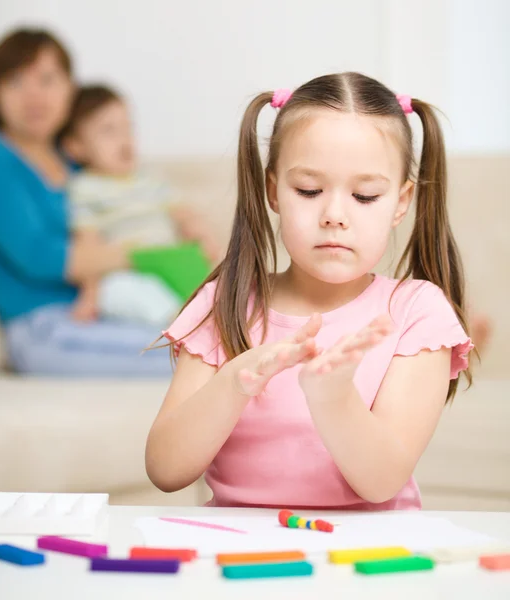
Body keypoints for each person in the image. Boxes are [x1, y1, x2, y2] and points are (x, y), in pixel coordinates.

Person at [145, 74, 474, 510]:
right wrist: (235, 381)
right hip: (237, 554)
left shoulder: (418, 312)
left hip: (368, 560)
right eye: (309, 190)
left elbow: (381, 482)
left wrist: (333, 396)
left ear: (400, 201)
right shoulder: (226, 301)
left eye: (365, 195)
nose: (334, 215)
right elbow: (165, 472)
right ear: (273, 190)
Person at [0, 29, 173, 377]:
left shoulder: (77, 163)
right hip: (43, 327)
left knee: (206, 342)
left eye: (47, 79)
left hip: (106, 312)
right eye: (15, 81)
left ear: (69, 90)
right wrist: (147, 251)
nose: (33, 95)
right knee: (193, 357)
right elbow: (40, 256)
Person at [60, 85, 220, 326]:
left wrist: (201, 232)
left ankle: (211, 318)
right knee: (115, 291)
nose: (124, 139)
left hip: (170, 260)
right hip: (131, 271)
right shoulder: (84, 188)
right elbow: (88, 243)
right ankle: (181, 324)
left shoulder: (149, 179)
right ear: (76, 147)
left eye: (127, 128)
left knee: (216, 283)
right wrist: (90, 294)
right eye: (109, 131)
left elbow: (183, 213)